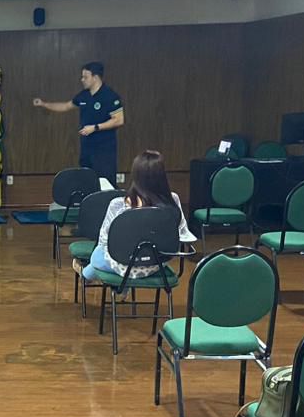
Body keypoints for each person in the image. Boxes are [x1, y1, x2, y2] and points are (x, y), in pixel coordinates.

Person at [78, 150, 194, 281]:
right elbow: (183, 234)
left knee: (97, 254)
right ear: (162, 175)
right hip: (157, 264)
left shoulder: (119, 204)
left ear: (135, 175)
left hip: (123, 264)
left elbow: (104, 240)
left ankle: (86, 276)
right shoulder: (173, 200)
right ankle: (98, 279)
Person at [32, 60, 125, 185]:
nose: (82, 80)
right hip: (86, 147)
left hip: (104, 149)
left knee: (105, 181)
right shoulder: (83, 95)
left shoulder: (109, 96)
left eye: (85, 77)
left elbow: (119, 120)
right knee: (87, 179)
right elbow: (66, 106)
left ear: (95, 77)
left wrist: (95, 127)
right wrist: (44, 104)